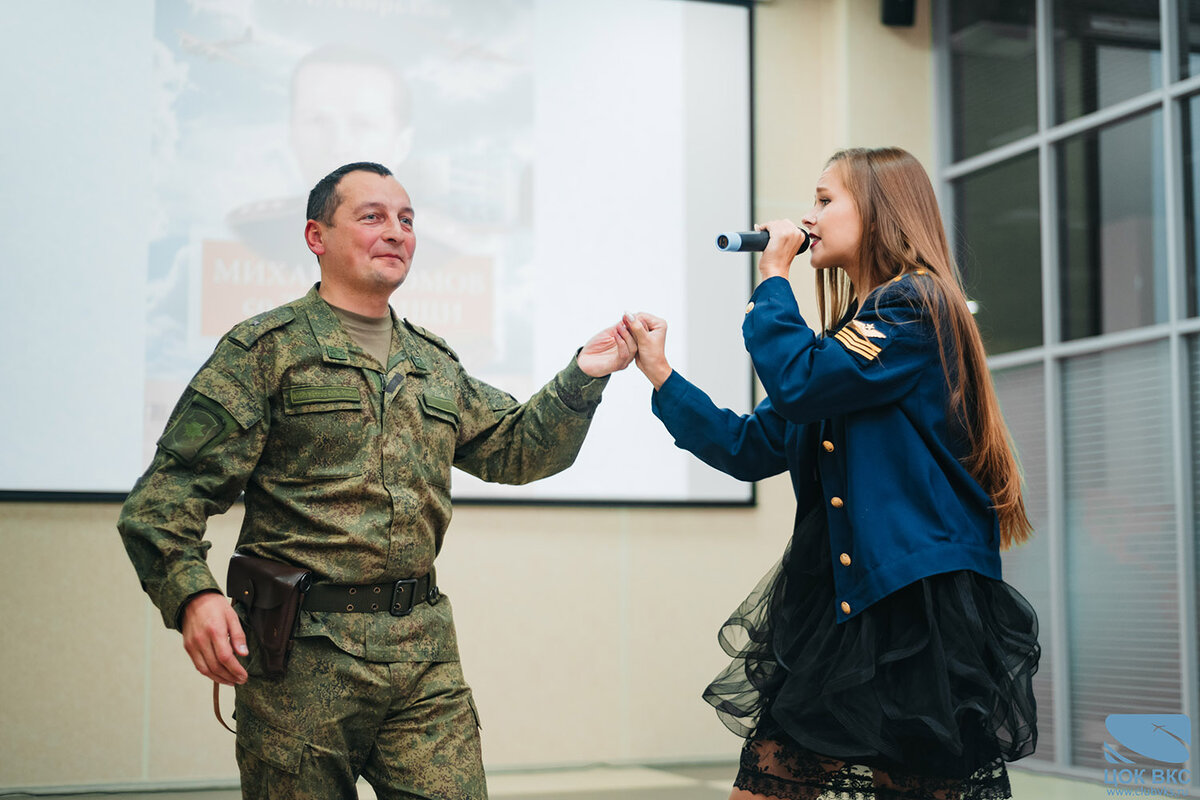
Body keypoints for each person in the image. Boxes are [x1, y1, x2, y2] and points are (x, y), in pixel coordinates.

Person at [118, 161, 637, 799]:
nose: (395, 232)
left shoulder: (432, 363)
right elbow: (163, 501)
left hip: (422, 655)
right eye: (372, 217)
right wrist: (193, 596)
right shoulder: (263, 352)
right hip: (300, 662)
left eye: (407, 220)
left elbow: (517, 451)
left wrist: (585, 374)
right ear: (317, 237)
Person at [624, 147, 1039, 800]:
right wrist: (659, 373)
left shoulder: (915, 307)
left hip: (914, 601)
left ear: (877, 211)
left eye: (824, 200)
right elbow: (748, 445)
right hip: (841, 605)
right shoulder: (849, 342)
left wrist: (771, 278)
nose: (808, 216)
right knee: (765, 784)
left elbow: (799, 381)